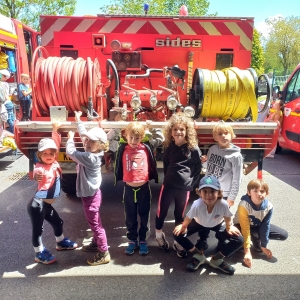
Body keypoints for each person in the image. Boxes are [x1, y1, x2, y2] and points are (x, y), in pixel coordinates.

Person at [27, 122, 78, 265]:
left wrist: (55, 131)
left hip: (47, 206)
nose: (49, 156)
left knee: (58, 222)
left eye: (51, 153)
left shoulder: (54, 162)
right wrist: (36, 176)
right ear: (39, 156)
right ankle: (39, 253)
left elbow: (55, 144)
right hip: (37, 205)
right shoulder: (40, 168)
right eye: (45, 154)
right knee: (38, 230)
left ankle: (60, 242)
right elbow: (36, 173)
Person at [173, 175, 244, 275]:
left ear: (219, 193)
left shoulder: (223, 204)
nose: (208, 195)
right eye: (205, 191)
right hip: (199, 223)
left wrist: (229, 227)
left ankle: (216, 259)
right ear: (199, 193)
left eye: (212, 191)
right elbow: (189, 217)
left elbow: (228, 216)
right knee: (176, 234)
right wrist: (183, 226)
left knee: (239, 240)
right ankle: (198, 255)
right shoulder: (197, 204)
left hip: (217, 224)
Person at [66, 111, 110, 266]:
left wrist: (70, 139)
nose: (87, 143)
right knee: (94, 222)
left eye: (92, 142)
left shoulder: (90, 158)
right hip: (91, 194)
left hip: (90, 196)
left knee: (96, 225)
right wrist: (78, 120)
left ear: (100, 145)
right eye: (87, 141)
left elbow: (70, 152)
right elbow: (85, 134)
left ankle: (103, 251)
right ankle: (96, 243)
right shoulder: (94, 152)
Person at [155, 112, 202, 255]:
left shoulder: (193, 149)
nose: (178, 132)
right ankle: (159, 235)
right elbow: (167, 164)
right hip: (168, 186)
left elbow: (197, 168)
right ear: (171, 132)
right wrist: (167, 179)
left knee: (179, 214)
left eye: (181, 129)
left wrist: (191, 183)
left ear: (187, 131)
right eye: (175, 129)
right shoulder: (169, 148)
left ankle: (178, 241)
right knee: (161, 212)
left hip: (184, 189)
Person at [114, 121, 164, 255]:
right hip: (129, 189)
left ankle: (142, 240)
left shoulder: (146, 147)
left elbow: (161, 137)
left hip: (143, 188)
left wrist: (152, 126)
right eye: (131, 137)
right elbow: (108, 139)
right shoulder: (122, 147)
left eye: (137, 138)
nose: (134, 141)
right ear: (126, 136)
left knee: (144, 215)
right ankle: (132, 240)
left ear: (142, 137)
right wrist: (117, 126)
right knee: (130, 216)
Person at [197, 121, 243, 250]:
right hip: (209, 191)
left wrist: (232, 197)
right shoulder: (213, 149)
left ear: (232, 135)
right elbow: (209, 168)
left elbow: (237, 178)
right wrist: (204, 162)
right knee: (204, 214)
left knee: (222, 218)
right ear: (215, 137)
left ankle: (221, 241)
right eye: (220, 134)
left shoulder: (236, 155)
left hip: (224, 193)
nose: (223, 136)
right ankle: (202, 240)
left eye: (226, 133)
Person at [233, 179, 288, 268]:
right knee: (239, 241)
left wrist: (264, 246)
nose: (259, 194)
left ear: (267, 193)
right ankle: (243, 243)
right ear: (249, 193)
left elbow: (265, 226)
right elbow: (245, 228)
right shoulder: (243, 205)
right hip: (240, 226)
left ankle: (255, 236)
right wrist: (247, 252)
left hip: (256, 226)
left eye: (262, 191)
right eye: (255, 191)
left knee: (283, 234)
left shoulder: (269, 206)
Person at [0, 69, 15, 133]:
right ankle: (14, 130)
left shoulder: (1, 84)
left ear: (4, 76)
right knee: (12, 118)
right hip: (9, 102)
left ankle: (12, 132)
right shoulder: (6, 84)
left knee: (8, 119)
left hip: (5, 103)